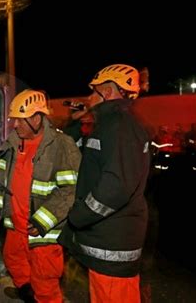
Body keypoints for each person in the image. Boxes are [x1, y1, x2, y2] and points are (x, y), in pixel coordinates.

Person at [58, 64, 151, 302]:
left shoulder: (119, 126)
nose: (88, 98)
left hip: (112, 243)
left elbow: (116, 187)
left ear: (107, 93)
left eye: (93, 92)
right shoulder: (109, 125)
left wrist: (80, 214)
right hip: (107, 239)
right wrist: (76, 122)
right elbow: (69, 151)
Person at [0, 89, 81, 303]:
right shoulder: (11, 144)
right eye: (14, 120)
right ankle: (28, 294)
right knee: (14, 262)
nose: (15, 125)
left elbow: (70, 191)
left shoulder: (61, 146)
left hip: (41, 231)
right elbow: (0, 182)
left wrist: (42, 220)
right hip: (15, 226)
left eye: (20, 120)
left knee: (44, 280)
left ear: (37, 119)